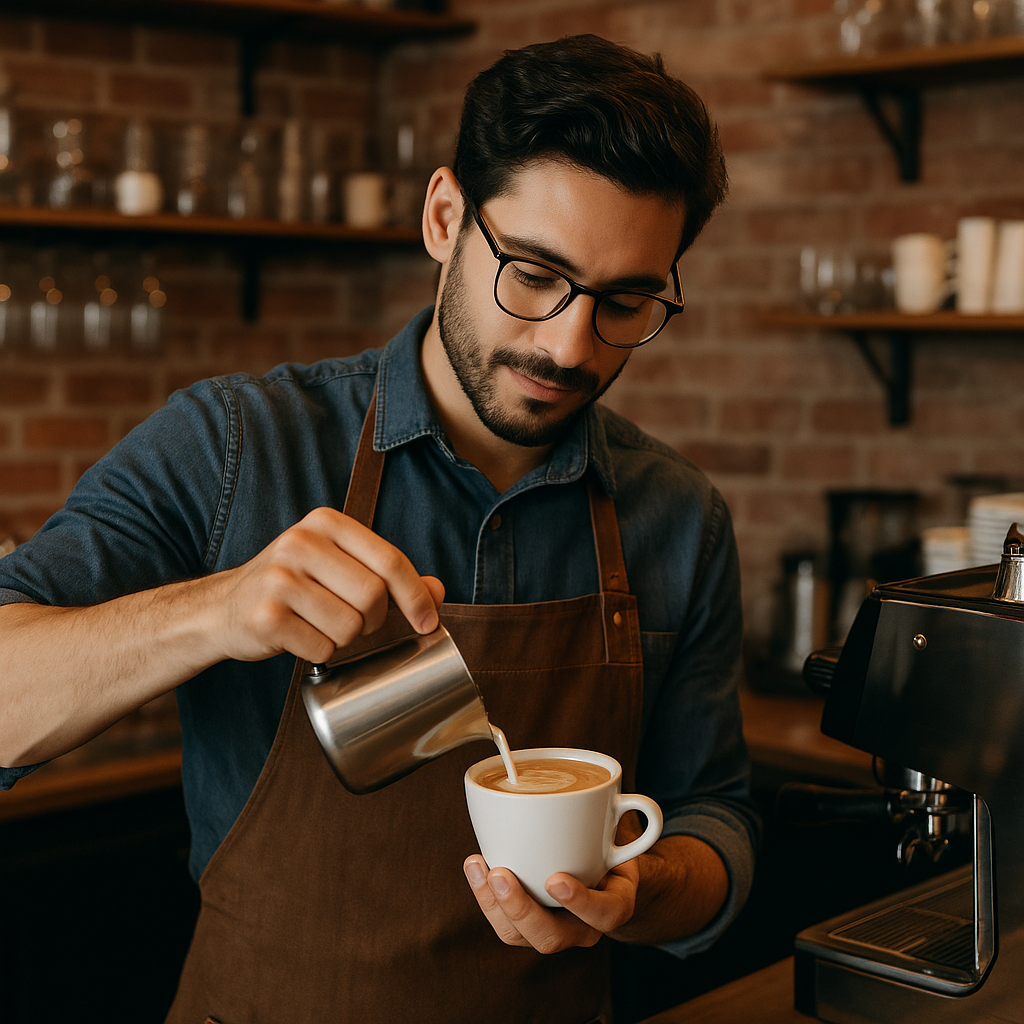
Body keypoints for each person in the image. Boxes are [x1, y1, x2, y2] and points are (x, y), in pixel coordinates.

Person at [0, 33, 759, 1024]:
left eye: (624, 301)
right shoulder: (234, 445)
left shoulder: (678, 517)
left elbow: (715, 820)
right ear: (445, 216)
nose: (570, 344)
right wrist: (216, 613)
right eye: (533, 273)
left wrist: (639, 894)